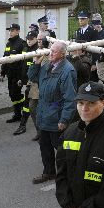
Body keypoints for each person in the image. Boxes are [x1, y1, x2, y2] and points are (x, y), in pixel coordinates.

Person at [29, 41, 78, 184]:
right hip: (44, 114)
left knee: (61, 149)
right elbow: (32, 77)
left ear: (62, 54)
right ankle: (48, 172)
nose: (50, 54)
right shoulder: (46, 67)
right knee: (44, 146)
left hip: (56, 116)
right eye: (50, 51)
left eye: (54, 52)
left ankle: (69, 173)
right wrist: (36, 64)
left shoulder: (67, 70)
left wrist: (64, 120)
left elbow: (70, 99)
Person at [13, 30, 41, 137]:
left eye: (31, 39)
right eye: (28, 39)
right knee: (28, 105)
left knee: (30, 106)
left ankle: (24, 125)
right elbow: (23, 66)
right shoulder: (25, 48)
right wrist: (21, 78)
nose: (29, 41)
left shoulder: (37, 51)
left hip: (34, 83)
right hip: (27, 81)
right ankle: (32, 128)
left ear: (36, 39)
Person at [1, 23, 27, 124]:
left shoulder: (22, 44)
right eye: (10, 30)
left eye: (12, 30)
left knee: (15, 94)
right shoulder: (8, 44)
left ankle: (23, 109)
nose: (10, 32)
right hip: (10, 74)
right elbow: (5, 58)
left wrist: (22, 77)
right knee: (12, 94)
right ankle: (18, 113)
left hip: (18, 75)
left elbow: (24, 62)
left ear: (18, 31)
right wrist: (3, 72)